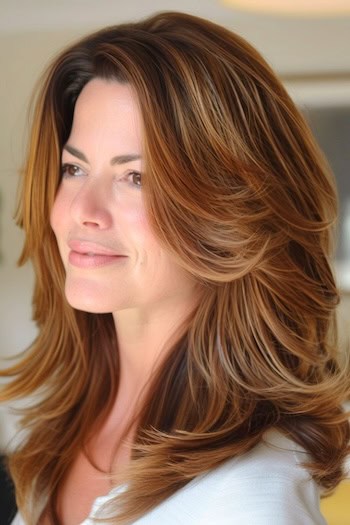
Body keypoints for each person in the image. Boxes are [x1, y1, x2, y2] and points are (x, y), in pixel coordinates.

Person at [0, 11, 349, 525]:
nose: (83, 211)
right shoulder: (51, 428)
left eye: (136, 178)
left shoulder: (249, 501)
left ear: (227, 209)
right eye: (74, 168)